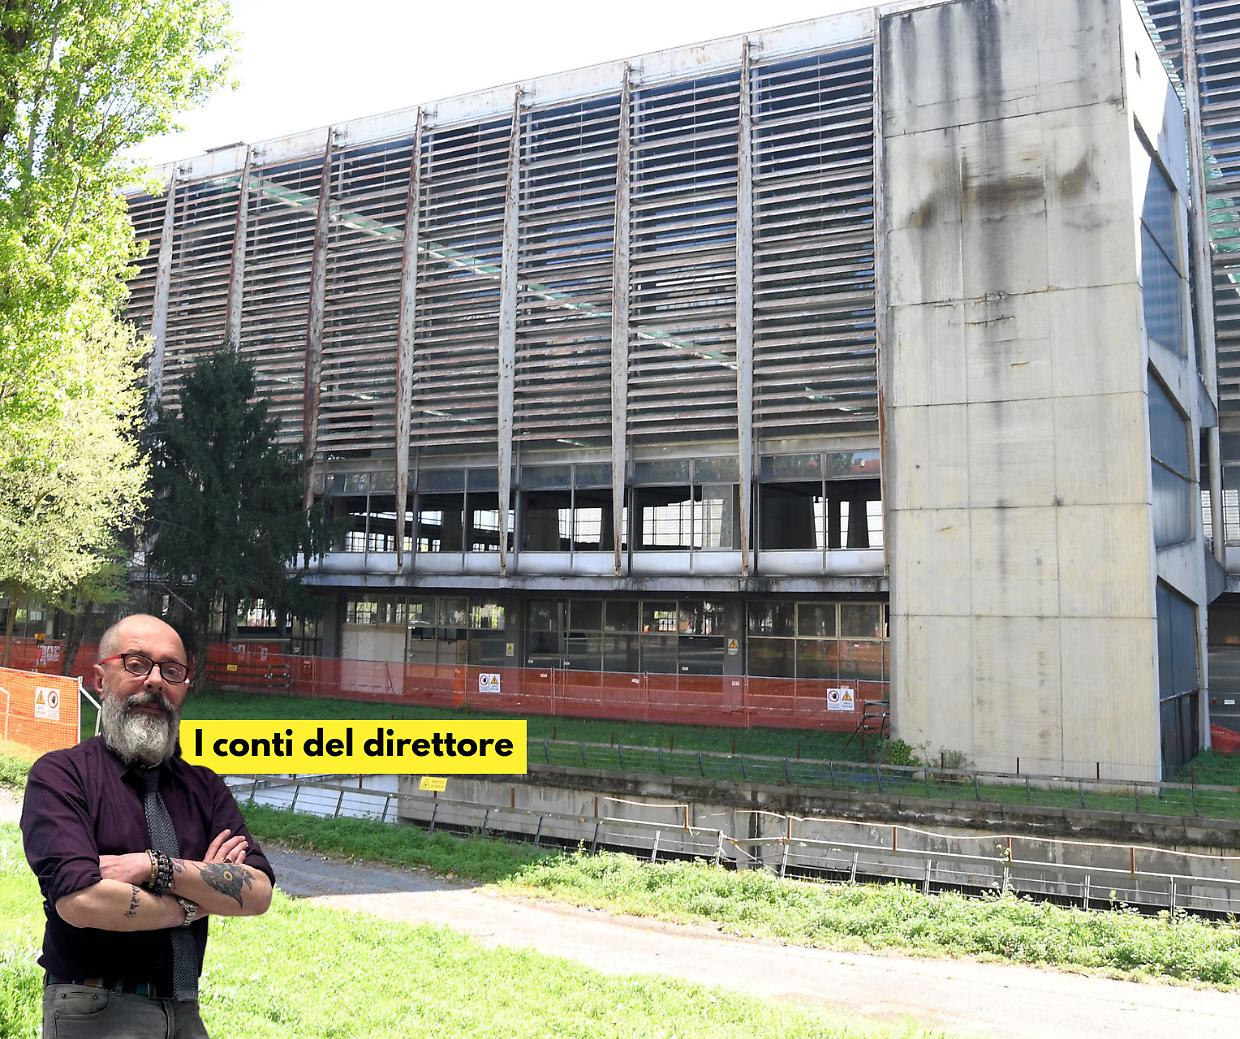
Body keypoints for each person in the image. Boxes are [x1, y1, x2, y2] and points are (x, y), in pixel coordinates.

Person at [20, 613, 275, 1038]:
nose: (155, 681)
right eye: (137, 664)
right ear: (101, 679)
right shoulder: (61, 776)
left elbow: (258, 892)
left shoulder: (204, 787)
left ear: (184, 688)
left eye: (171, 670)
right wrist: (199, 900)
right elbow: (81, 901)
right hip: (96, 1007)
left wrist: (152, 867)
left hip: (185, 1010)